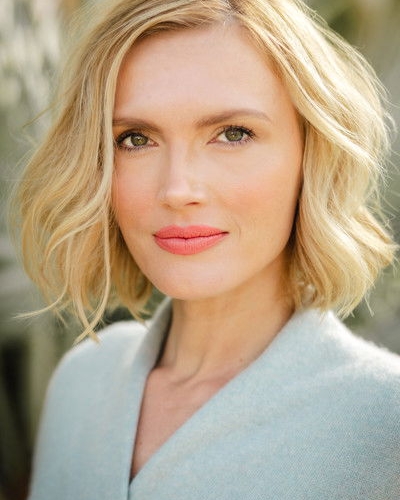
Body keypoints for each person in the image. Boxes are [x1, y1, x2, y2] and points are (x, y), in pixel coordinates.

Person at [11, 0, 400, 498]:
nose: (177, 189)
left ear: (311, 152)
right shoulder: (82, 382)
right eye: (136, 139)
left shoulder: (382, 424)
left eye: (232, 134)